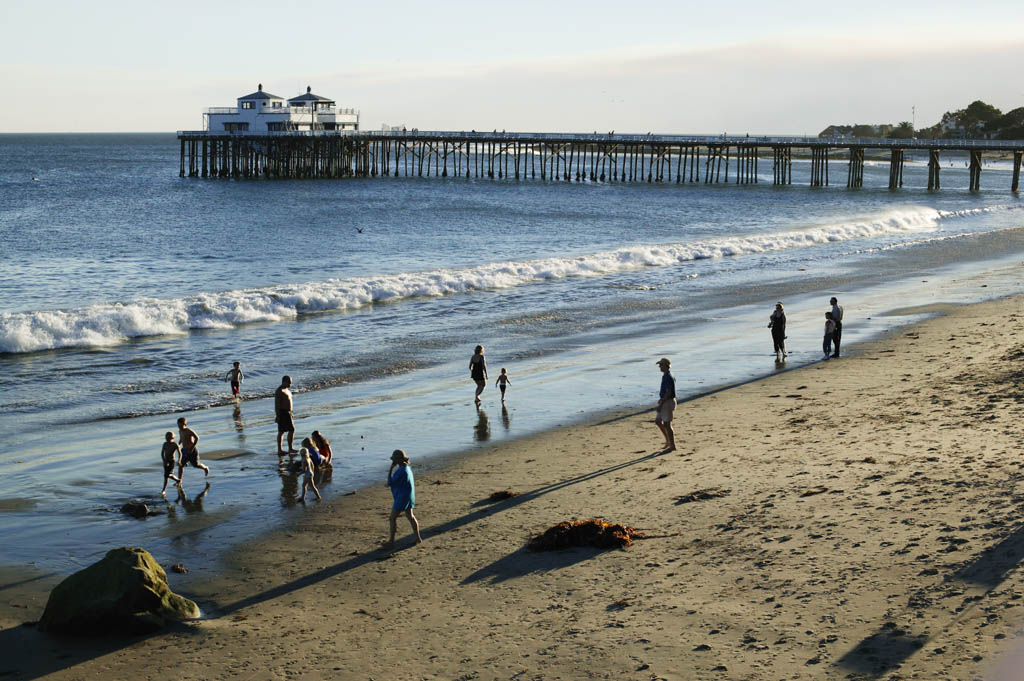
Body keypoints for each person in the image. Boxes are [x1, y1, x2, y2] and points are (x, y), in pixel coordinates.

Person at [386, 449, 422, 547]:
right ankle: (417, 537)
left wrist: (391, 468)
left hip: (402, 497)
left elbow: (389, 482)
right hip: (409, 496)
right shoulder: (407, 468)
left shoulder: (401, 471)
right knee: (410, 516)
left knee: (392, 518)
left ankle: (391, 541)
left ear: (397, 460)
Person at [655, 358, 676, 452]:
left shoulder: (668, 376)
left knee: (667, 424)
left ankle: (672, 445)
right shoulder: (666, 375)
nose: (660, 367)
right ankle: (668, 441)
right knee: (658, 421)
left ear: (666, 365)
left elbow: (668, 392)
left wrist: (661, 403)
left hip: (667, 401)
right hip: (665, 400)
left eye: (661, 365)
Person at [275, 375, 296, 455]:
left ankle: (290, 448)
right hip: (282, 412)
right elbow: (277, 405)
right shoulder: (279, 391)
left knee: (290, 430)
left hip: (288, 412)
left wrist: (291, 413)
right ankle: (280, 449)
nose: (290, 385)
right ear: (284, 381)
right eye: (289, 383)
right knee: (282, 431)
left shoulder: (286, 390)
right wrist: (277, 416)